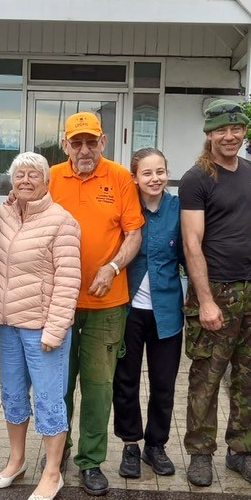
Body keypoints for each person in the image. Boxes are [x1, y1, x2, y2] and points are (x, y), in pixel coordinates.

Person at [177, 99, 251, 488]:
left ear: (244, 132)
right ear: (209, 134)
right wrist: (205, 300)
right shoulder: (197, 178)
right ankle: (201, 453)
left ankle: (242, 452)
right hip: (216, 290)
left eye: (236, 129)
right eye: (222, 130)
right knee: (207, 375)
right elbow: (191, 242)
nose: (230, 136)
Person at [48, 112, 143, 496]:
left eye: (91, 142)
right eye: (77, 142)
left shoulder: (120, 177)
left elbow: (134, 232)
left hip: (108, 303)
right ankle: (58, 453)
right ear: (65, 143)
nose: (84, 149)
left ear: (103, 141)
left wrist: (114, 265)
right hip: (59, 302)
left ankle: (91, 461)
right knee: (57, 383)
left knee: (99, 385)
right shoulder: (50, 176)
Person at [0, 152, 82, 500]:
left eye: (34, 175)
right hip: (8, 325)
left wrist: (56, 329)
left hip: (44, 328)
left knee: (48, 399)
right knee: (12, 396)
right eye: (19, 175)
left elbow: (68, 281)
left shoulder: (63, 222)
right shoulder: (5, 215)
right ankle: (17, 459)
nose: (25, 181)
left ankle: (53, 472)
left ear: (47, 181)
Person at [111, 147, 183, 479]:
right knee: (125, 380)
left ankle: (156, 445)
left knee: (164, 382)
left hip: (167, 311)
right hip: (127, 311)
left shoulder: (179, 209)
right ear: (134, 177)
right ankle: (130, 444)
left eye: (160, 172)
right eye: (147, 173)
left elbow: (192, 253)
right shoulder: (126, 208)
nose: (154, 179)